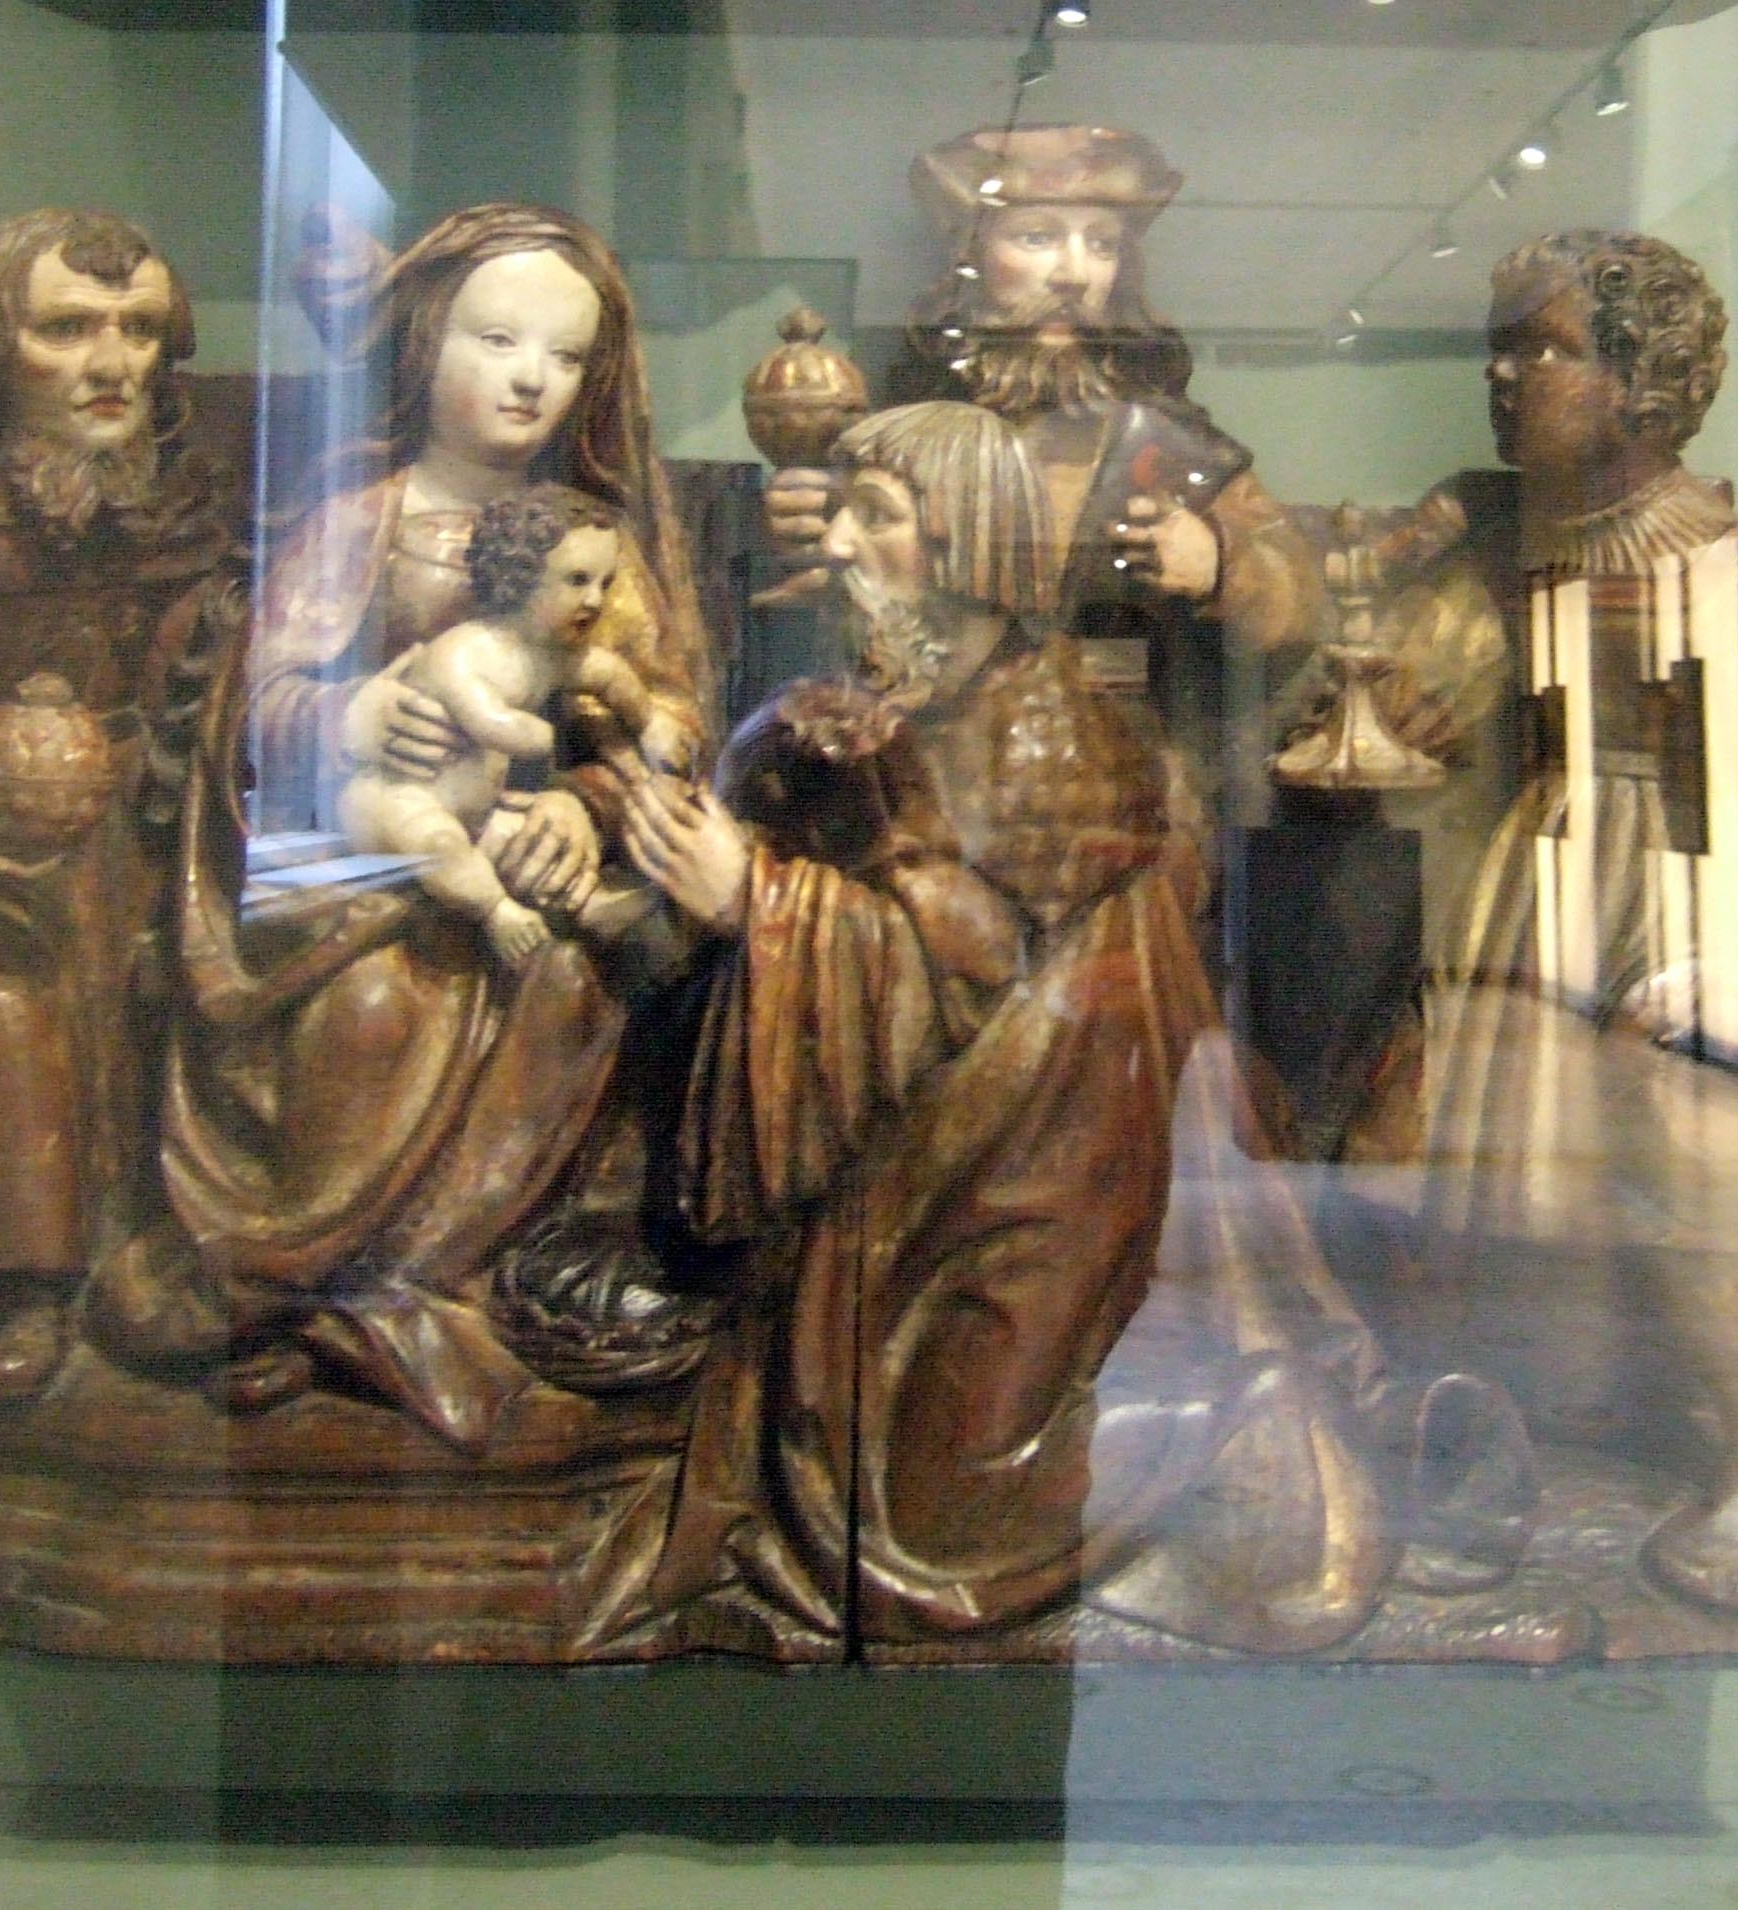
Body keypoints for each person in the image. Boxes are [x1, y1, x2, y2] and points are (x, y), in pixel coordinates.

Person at [617, 401, 1412, 1656]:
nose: (841, 543)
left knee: (941, 1510)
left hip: (1042, 1177)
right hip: (957, 1154)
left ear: (965, 540)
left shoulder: (1047, 734)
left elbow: (959, 960)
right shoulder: (927, 691)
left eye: (878, 517)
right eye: (843, 511)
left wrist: (752, 899)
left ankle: (1235, 1428)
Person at [111, 204, 716, 1444]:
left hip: (522, 860)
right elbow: (255, 703)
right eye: (496, 340)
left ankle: (453, 1278)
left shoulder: (595, 547)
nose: (530, 378)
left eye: (564, 355)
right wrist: (348, 712)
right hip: (357, 857)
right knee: (374, 1005)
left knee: (574, 983)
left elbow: (661, 721)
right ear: (425, 340)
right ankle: (309, 1284)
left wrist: (582, 808)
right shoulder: (361, 520)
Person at [1343, 232, 1738, 1616]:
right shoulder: (1513, 530)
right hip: (1537, 877)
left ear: (1640, 378)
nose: (1506, 374)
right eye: (1498, 347)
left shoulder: (1733, 566)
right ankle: (1503, 1427)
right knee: (1469, 1171)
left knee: (1688, 1200)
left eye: (1547, 347)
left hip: (1673, 893)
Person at [0, 208, 228, 1409]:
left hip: (163, 806)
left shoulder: (185, 493)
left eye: (138, 329)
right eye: (67, 330)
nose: (111, 361)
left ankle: (165, 1248)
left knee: (185, 997)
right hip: (12, 841)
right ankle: (12, 1277)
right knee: (3, 1017)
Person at [764, 124, 1327, 817]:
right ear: (970, 258)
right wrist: (813, 532)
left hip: (1124, 794)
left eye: (1102, 244)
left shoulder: (1173, 453)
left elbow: (1303, 600)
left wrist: (1221, 562)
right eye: (1037, 237)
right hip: (940, 788)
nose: (1074, 274)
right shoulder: (903, 438)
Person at [336, 484, 692, 965]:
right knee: (439, 845)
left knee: (529, 845)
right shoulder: (466, 650)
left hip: (478, 809)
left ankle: (592, 908)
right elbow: (488, 722)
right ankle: (497, 912)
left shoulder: (547, 653)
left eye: (605, 584)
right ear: (522, 577)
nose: (595, 600)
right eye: (578, 580)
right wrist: (540, 736)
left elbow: (607, 674)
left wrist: (649, 722)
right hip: (397, 799)